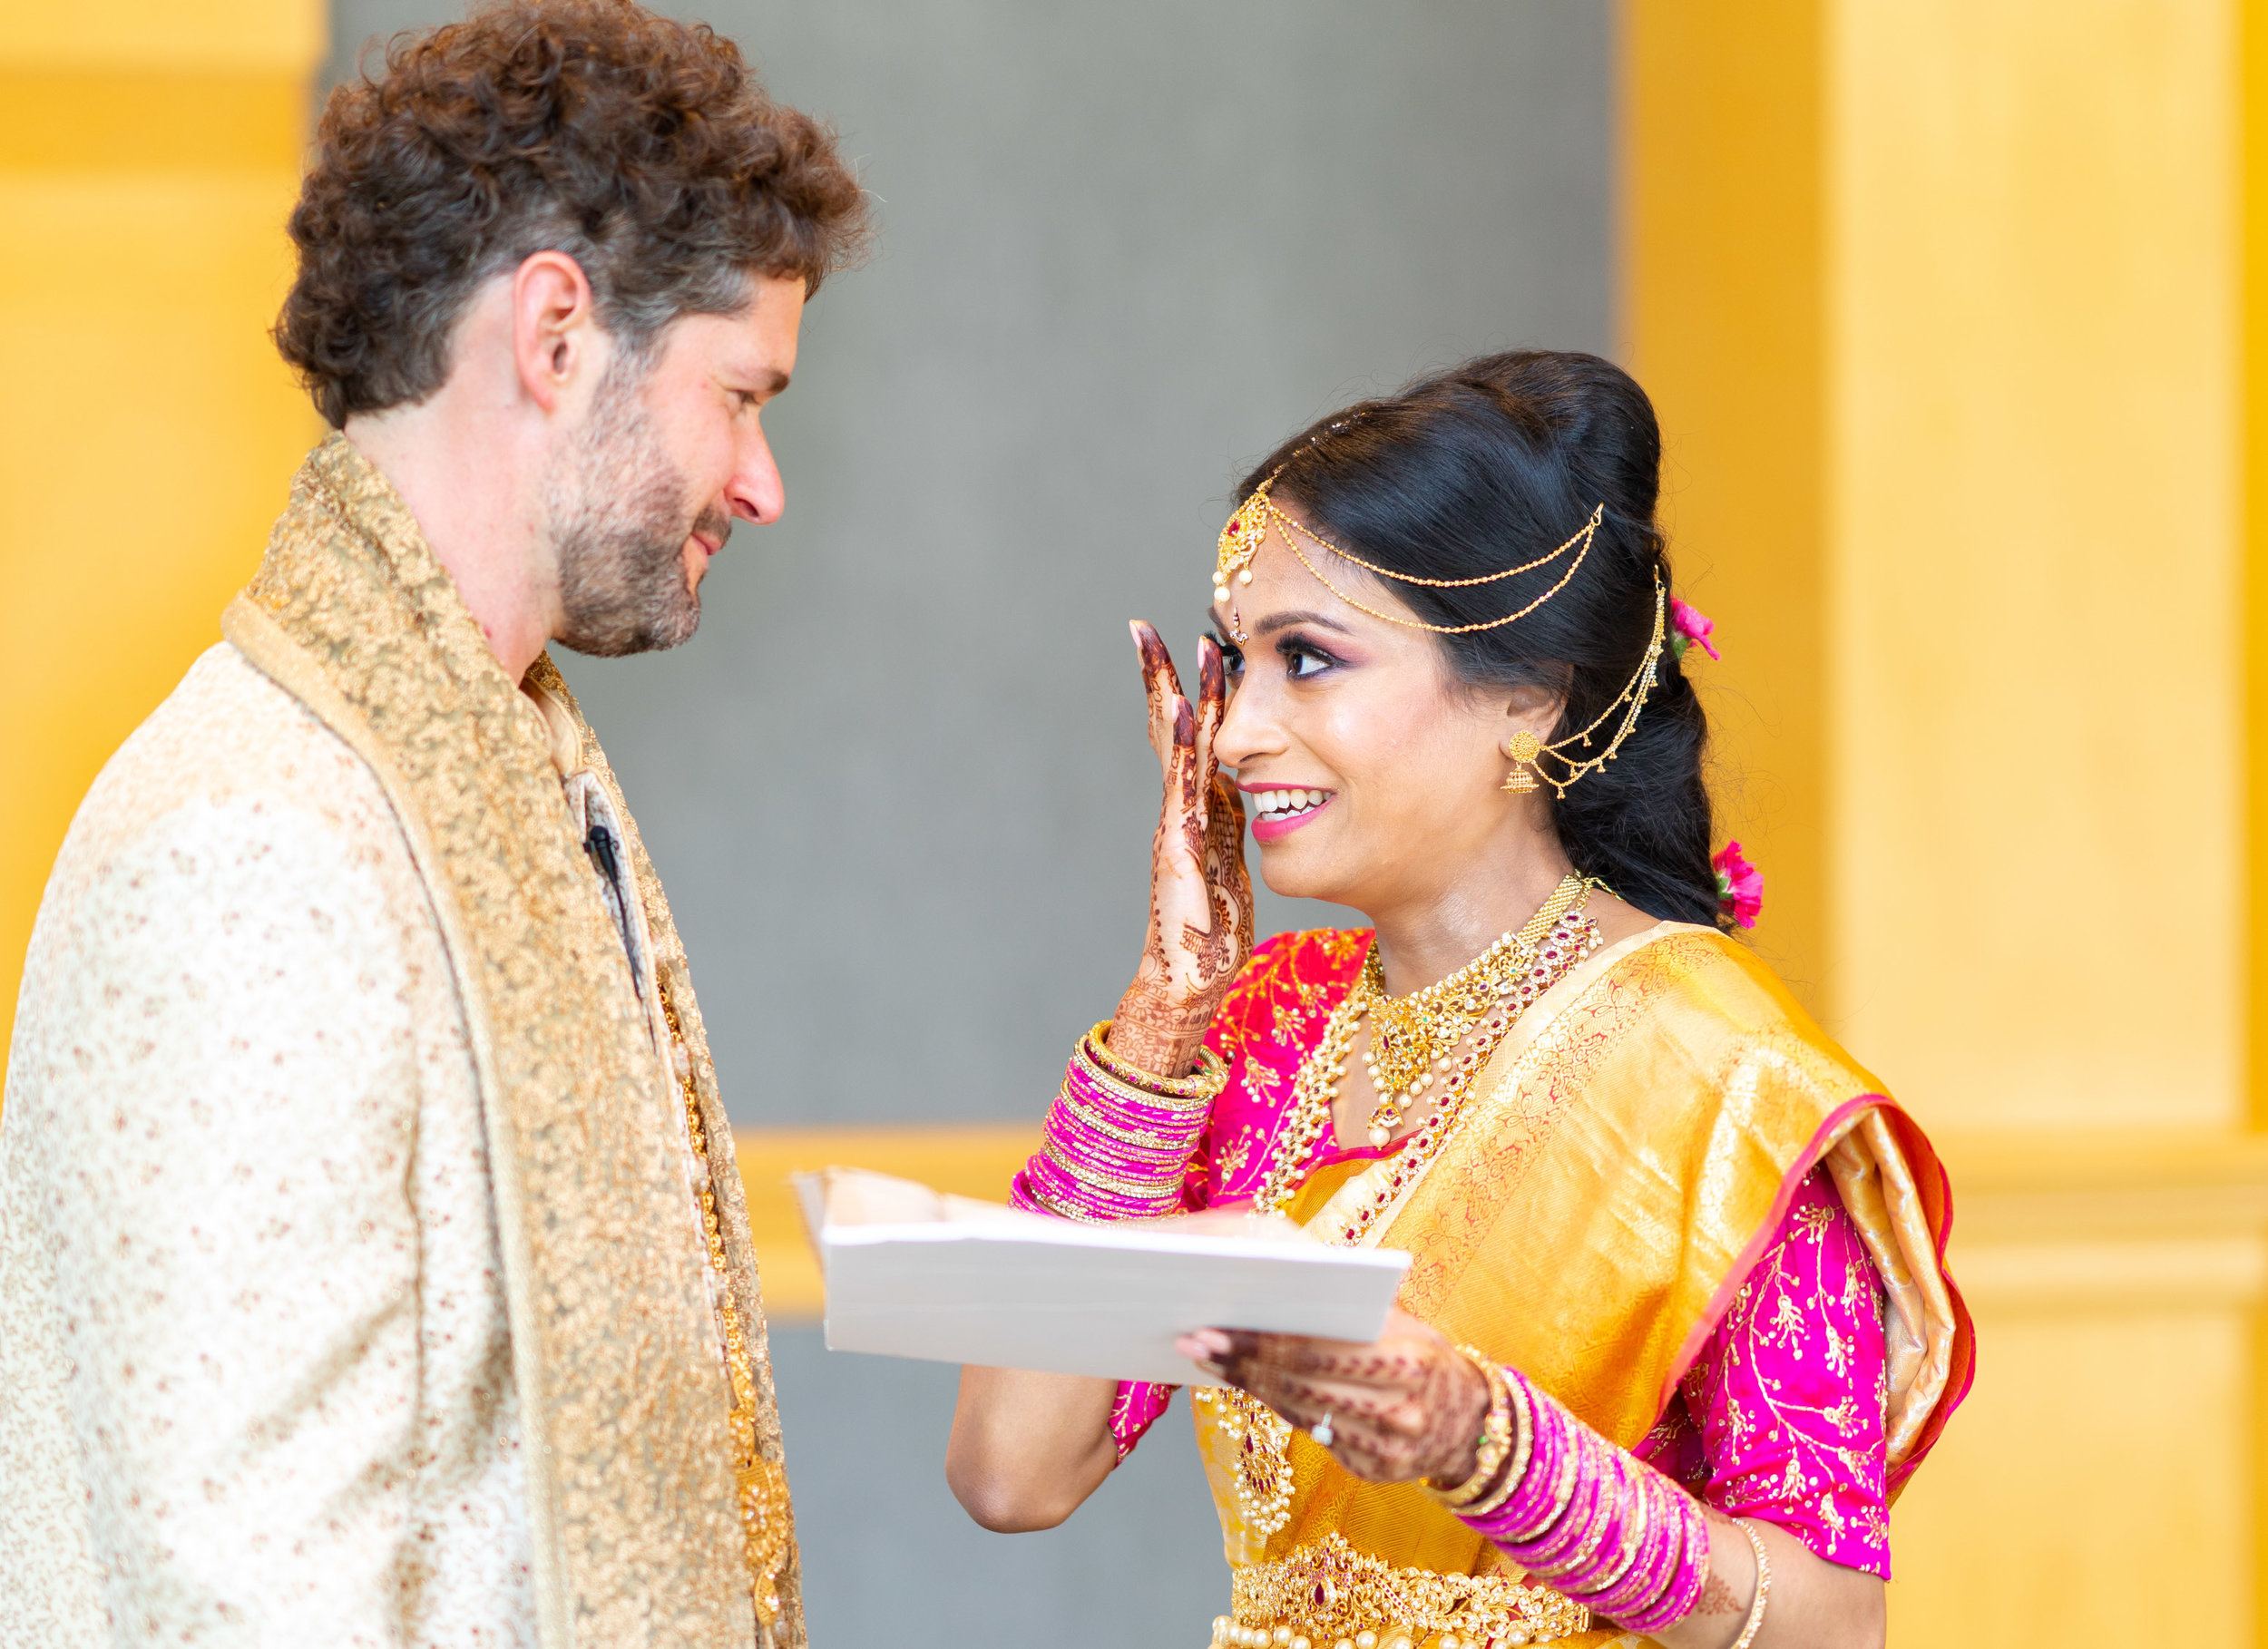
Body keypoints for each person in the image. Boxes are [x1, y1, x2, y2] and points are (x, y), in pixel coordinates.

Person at [0, 5, 865, 1644]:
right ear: (555, 335)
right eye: (740, 394)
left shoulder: (505, 763)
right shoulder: (256, 845)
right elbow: (249, 1598)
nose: (759, 483)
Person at [947, 353, 1972, 1649]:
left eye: (1308, 660)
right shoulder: (1264, 1033)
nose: (1240, 730)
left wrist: (1495, 1451)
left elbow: (1835, 1629)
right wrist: (1165, 1014)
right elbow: (1011, 1471)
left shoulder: (1718, 1081)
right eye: (1233, 663)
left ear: (1529, 697)